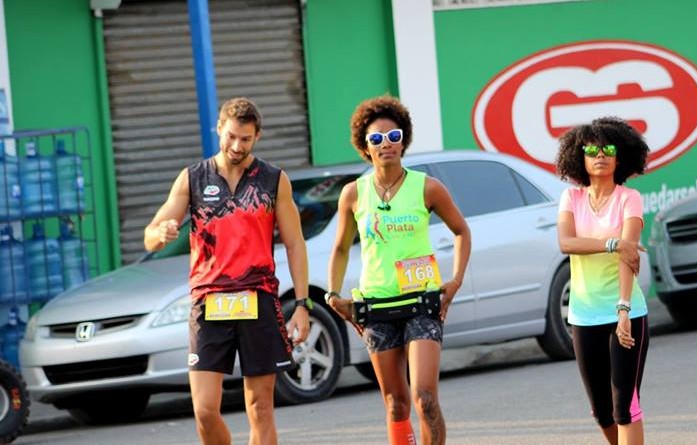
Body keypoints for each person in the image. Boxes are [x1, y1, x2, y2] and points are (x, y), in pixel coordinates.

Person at [143, 97, 310, 445]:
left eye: (245, 139)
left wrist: (302, 305)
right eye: (231, 136)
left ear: (257, 136)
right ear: (219, 129)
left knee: (260, 407)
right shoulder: (192, 178)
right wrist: (161, 234)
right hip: (209, 303)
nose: (236, 146)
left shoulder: (274, 180)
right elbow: (150, 237)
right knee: (205, 411)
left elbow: (295, 244)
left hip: (258, 300)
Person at [326, 95, 471, 445]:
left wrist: (454, 281)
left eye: (394, 136)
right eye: (376, 139)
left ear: (403, 141)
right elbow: (341, 247)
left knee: (425, 397)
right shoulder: (353, 194)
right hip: (376, 307)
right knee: (396, 404)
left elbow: (461, 231)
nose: (386, 144)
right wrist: (332, 294)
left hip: (421, 302)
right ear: (365, 146)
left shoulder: (427, 187)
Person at [554, 116, 651, 445]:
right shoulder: (571, 198)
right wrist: (612, 243)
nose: (600, 155)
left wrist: (623, 309)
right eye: (592, 149)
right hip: (584, 315)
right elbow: (566, 242)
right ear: (578, 157)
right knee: (601, 411)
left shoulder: (629, 198)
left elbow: (629, 255)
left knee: (625, 405)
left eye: (608, 149)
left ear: (619, 157)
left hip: (626, 312)